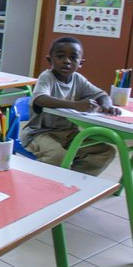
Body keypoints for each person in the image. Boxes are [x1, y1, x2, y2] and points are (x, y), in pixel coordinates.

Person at [21, 36, 119, 176]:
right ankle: (44, 187)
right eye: (60, 56)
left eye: (73, 58)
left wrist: (107, 106)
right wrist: (75, 105)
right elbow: (40, 99)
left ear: (81, 63)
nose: (66, 61)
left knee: (105, 151)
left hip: (70, 134)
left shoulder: (78, 79)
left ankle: (71, 180)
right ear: (50, 60)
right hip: (40, 133)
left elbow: (102, 95)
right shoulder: (47, 77)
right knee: (57, 156)